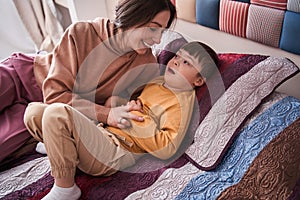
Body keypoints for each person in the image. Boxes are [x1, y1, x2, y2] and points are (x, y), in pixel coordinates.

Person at [24, 41, 219, 199]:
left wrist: (136, 117)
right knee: (33, 112)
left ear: (199, 81)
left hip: (116, 149)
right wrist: (119, 104)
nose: (176, 62)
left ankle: (66, 188)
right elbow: (130, 105)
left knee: (58, 113)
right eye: (177, 56)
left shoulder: (182, 103)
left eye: (187, 62)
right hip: (105, 131)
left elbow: (167, 148)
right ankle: (59, 145)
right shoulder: (159, 82)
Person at [0, 0, 177, 163]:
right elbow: (55, 95)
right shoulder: (82, 32)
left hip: (40, 110)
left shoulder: (147, 66)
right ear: (134, 16)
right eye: (154, 29)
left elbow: (117, 103)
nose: (158, 40)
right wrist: (106, 114)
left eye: (162, 32)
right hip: (22, 75)